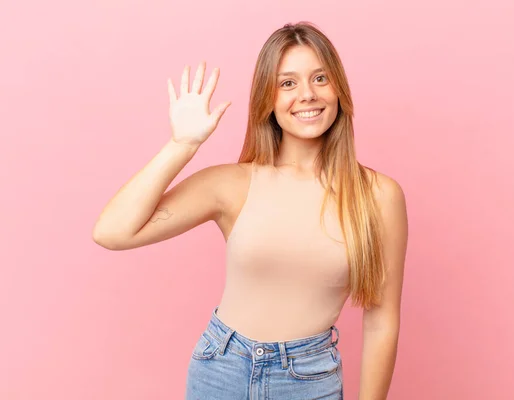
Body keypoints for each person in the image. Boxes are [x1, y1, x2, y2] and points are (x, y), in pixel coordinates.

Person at [93, 21, 408, 400]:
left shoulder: (378, 195)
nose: (307, 94)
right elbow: (112, 232)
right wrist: (181, 145)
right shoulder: (232, 184)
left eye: (320, 78)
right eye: (287, 83)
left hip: (309, 379)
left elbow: (381, 320)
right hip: (222, 368)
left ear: (339, 89)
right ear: (267, 98)